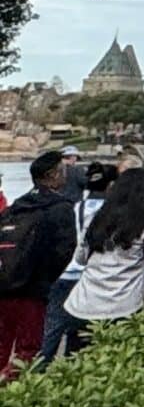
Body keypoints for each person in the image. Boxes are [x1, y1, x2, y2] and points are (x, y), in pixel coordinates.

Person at [54, 169, 144, 356]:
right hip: (123, 306)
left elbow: (80, 258)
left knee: (77, 366)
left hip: (83, 305)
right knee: (117, 366)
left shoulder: (97, 217)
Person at [0, 151, 78, 378]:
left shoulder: (17, 206)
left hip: (4, 283)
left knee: (2, 344)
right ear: (52, 175)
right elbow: (64, 251)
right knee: (28, 349)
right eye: (63, 170)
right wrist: (44, 278)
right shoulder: (60, 208)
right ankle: (12, 393)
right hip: (32, 288)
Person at [35, 162, 115, 364]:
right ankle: (75, 370)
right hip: (89, 276)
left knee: (51, 331)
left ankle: (34, 374)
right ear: (110, 185)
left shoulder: (75, 207)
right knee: (85, 330)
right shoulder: (112, 212)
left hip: (64, 273)